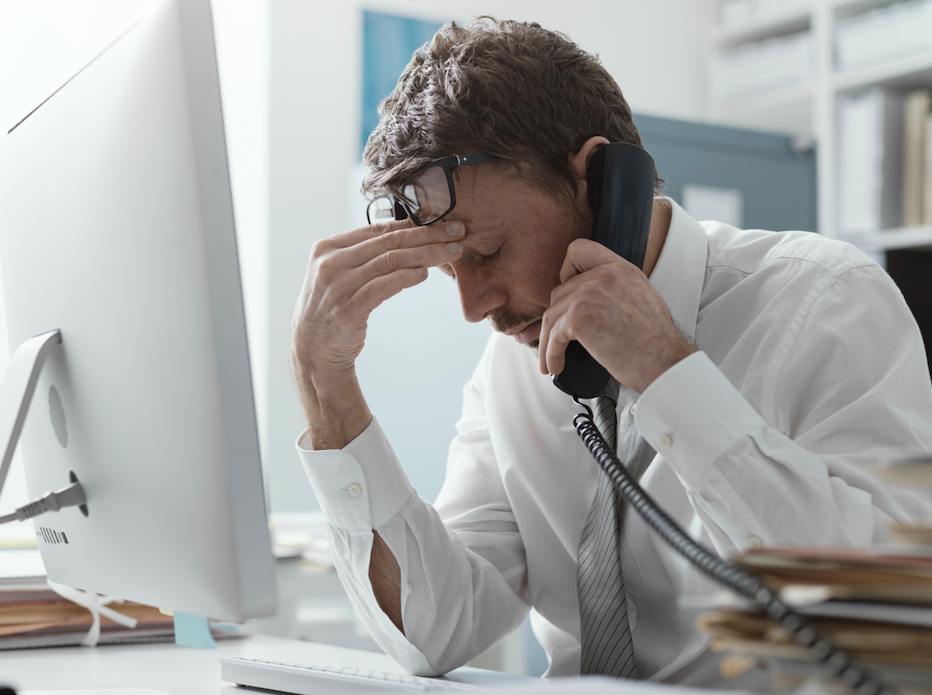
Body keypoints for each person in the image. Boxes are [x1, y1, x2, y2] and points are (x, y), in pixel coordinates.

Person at [290, 17, 932, 691]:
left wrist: (665, 371)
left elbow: (889, 617)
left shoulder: (826, 300)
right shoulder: (512, 366)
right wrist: (324, 383)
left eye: (489, 254)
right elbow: (437, 628)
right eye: (454, 269)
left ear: (599, 181)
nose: (475, 307)